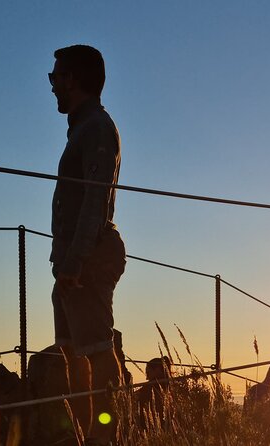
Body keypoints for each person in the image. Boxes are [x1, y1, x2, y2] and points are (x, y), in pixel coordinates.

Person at [48, 44, 125, 446]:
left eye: (56, 78)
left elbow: (95, 198)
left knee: (96, 348)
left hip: (88, 257)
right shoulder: (83, 126)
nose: (53, 87)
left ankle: (105, 434)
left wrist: (75, 262)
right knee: (74, 348)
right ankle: (85, 432)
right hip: (73, 258)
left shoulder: (95, 127)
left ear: (74, 80)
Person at [134, 356, 172, 429]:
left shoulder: (149, 388)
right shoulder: (170, 386)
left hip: (149, 427)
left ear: (157, 370)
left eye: (148, 372)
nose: (147, 377)